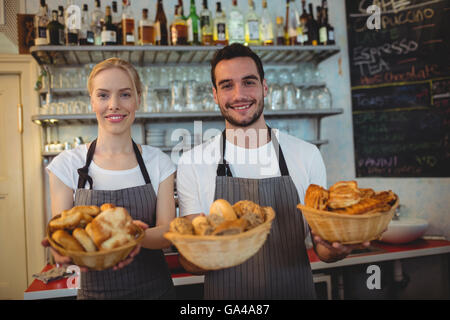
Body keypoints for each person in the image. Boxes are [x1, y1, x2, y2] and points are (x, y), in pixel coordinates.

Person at [176, 43, 369, 299]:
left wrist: (338, 248)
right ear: (215, 94)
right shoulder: (192, 162)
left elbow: (322, 250)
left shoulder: (306, 155)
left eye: (248, 82)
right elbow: (189, 263)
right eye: (227, 85)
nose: (239, 94)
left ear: (265, 87)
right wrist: (202, 254)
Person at [42, 57, 176, 300]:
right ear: (91, 101)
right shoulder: (66, 165)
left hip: (157, 292)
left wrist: (135, 237)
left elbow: (168, 233)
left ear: (138, 99)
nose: (114, 104)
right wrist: (60, 252)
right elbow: (60, 235)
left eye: (125, 94)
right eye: (103, 95)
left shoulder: (159, 162)